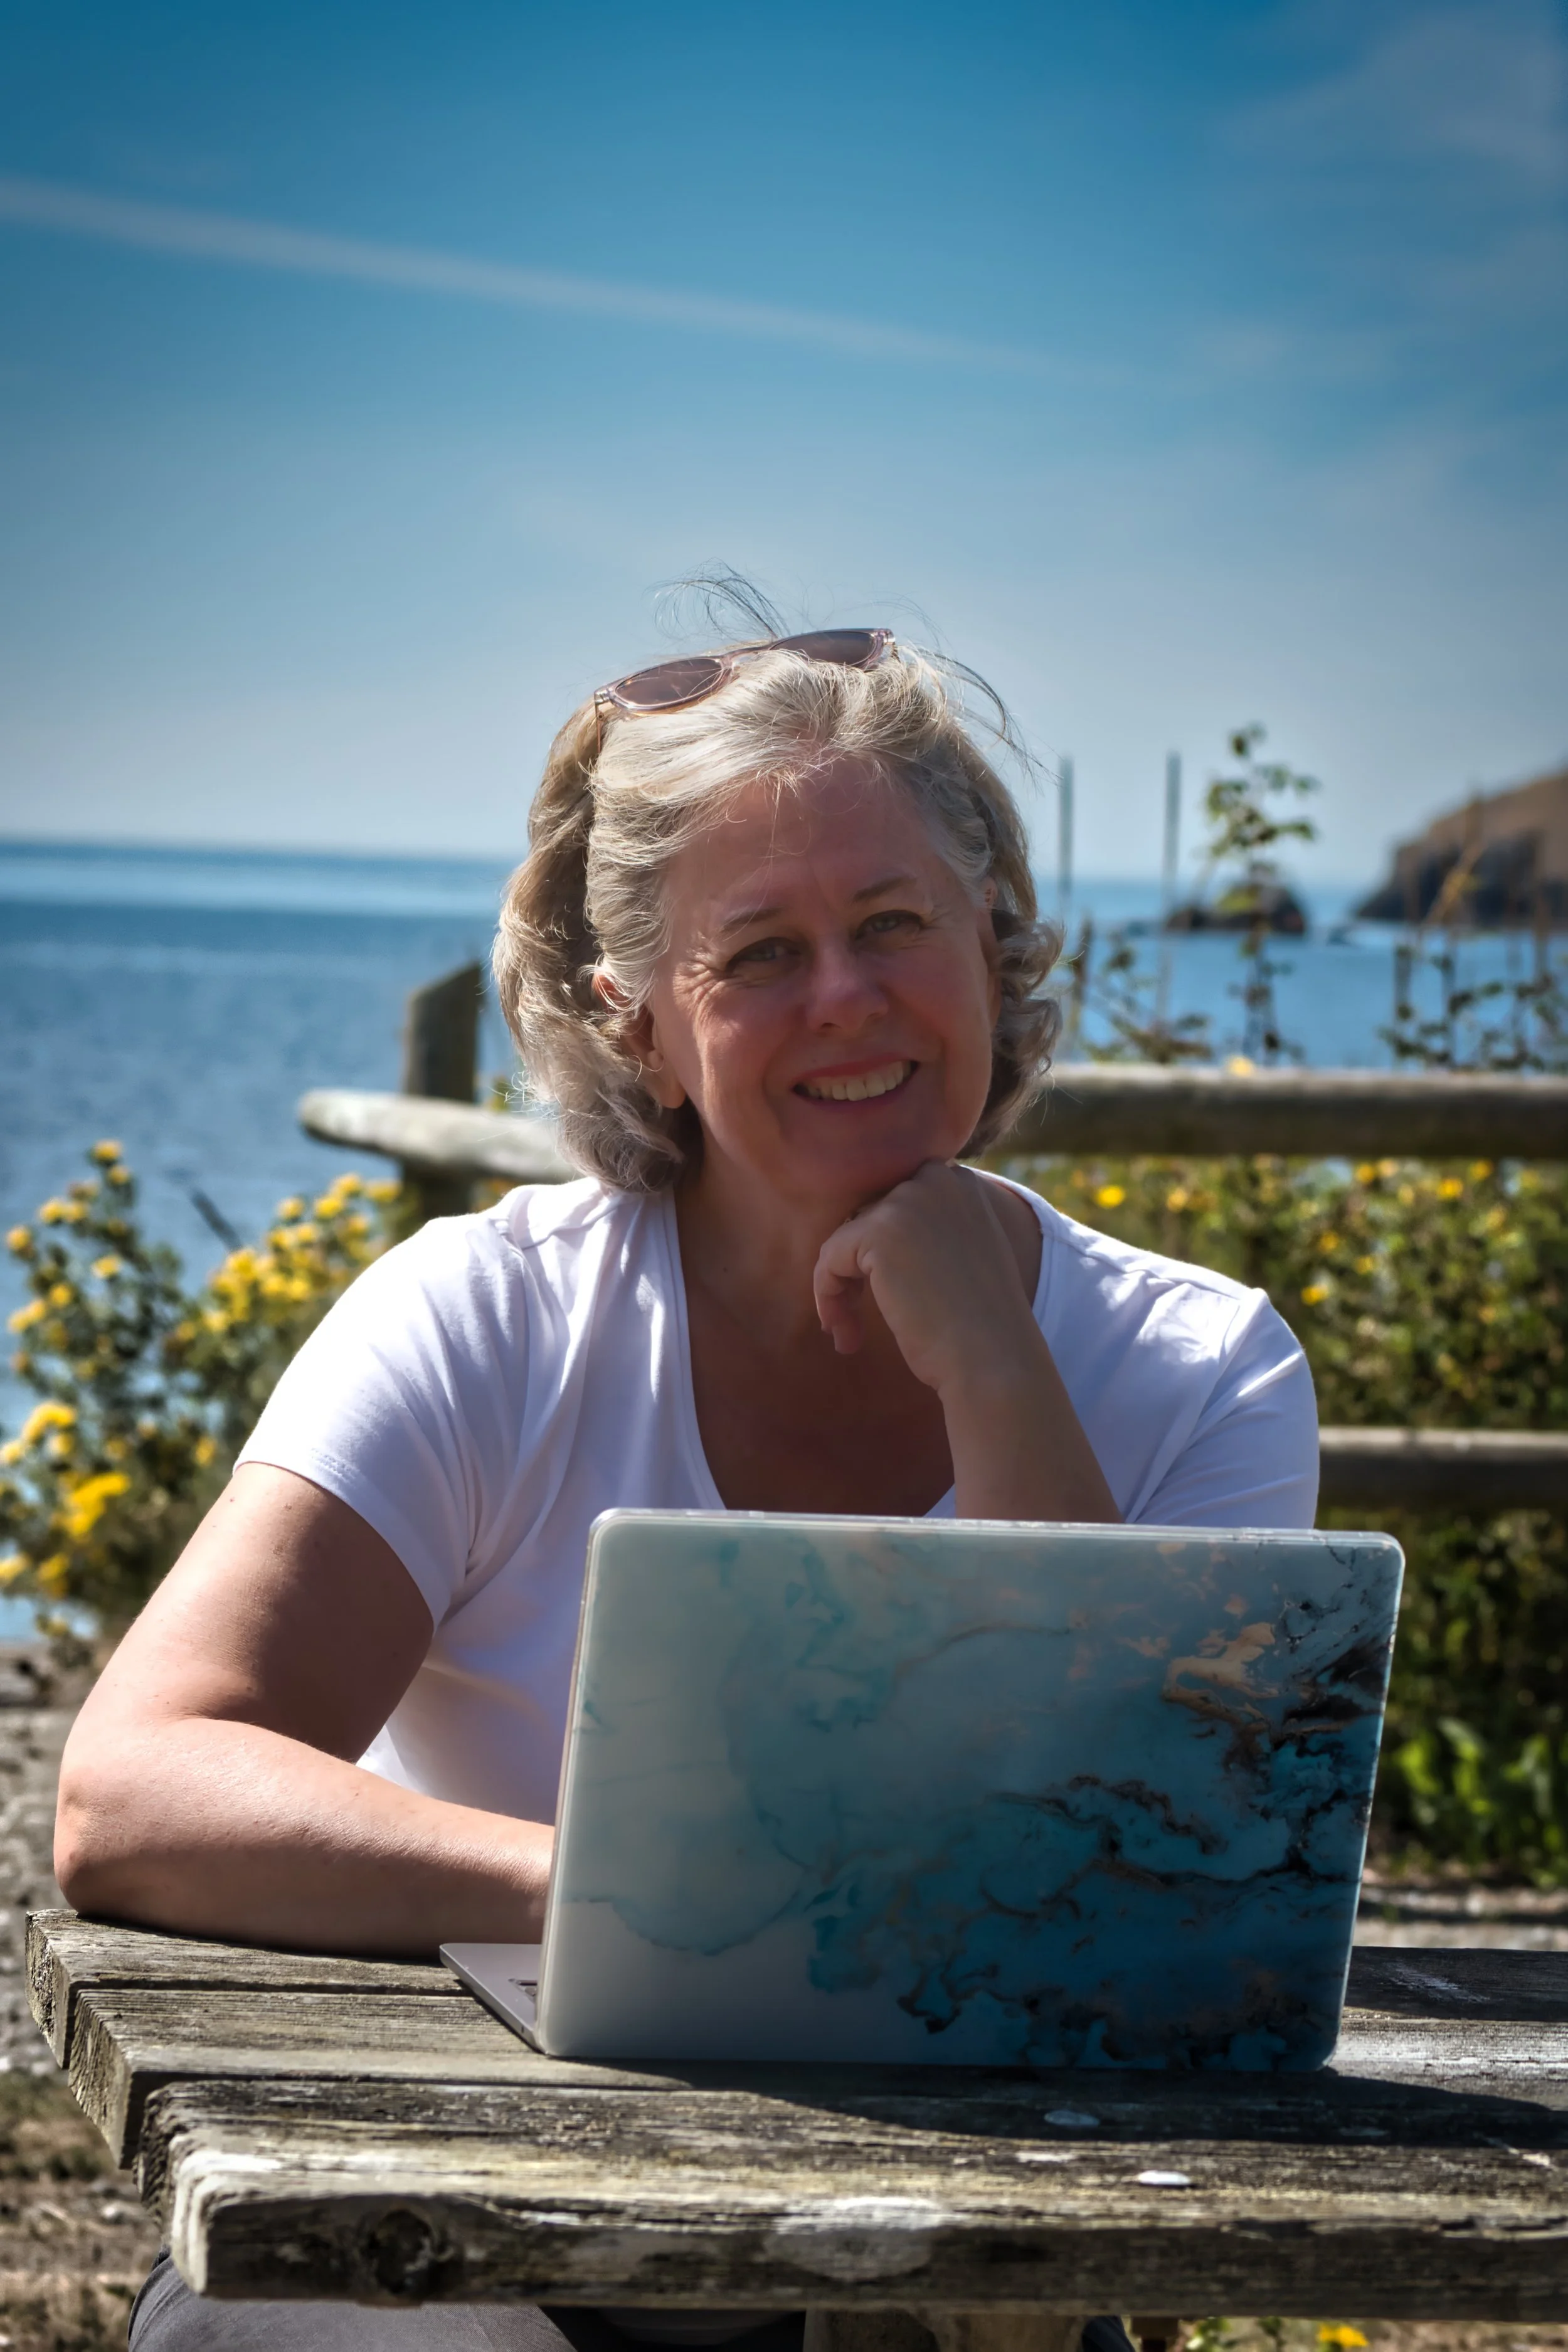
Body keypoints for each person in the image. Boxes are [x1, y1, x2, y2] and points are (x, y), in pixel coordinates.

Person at [55, 623, 1318, 2352]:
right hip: (472, 2226)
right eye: (762, 953)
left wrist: (993, 1365)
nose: (845, 996)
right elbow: (133, 1791)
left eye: (893, 924)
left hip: (972, 2272)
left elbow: (1154, 1913)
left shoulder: (1204, 1366)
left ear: (995, 941)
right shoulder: (488, 1317)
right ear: (636, 1020)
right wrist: (629, 1894)